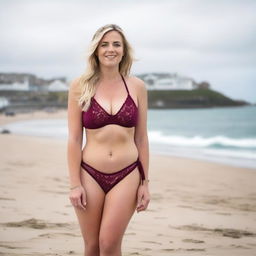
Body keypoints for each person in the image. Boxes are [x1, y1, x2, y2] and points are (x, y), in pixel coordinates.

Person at [67, 24, 150, 256]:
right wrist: (75, 184)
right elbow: (74, 139)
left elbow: (142, 139)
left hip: (127, 174)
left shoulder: (137, 87)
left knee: (109, 243)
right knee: (92, 246)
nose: (110, 49)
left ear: (124, 51)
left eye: (116, 44)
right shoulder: (80, 86)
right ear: (96, 50)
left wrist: (145, 183)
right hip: (89, 173)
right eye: (104, 44)